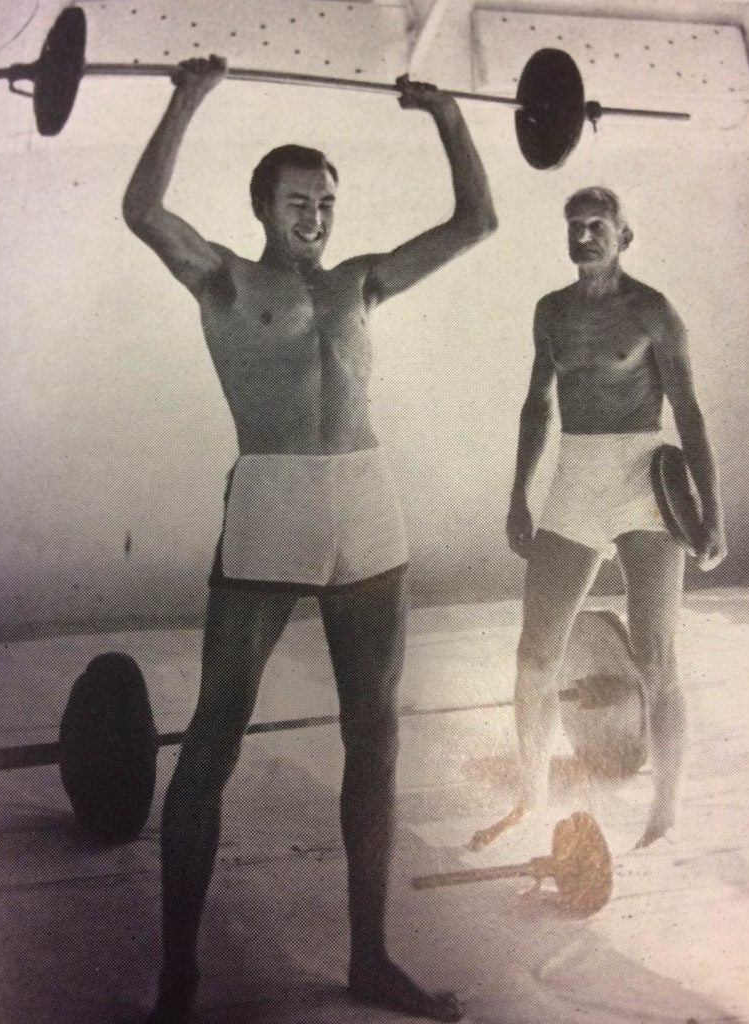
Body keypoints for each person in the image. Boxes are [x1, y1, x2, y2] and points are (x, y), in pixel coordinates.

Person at [122, 55, 497, 1024]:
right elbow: (144, 211)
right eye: (299, 202)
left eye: (326, 203)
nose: (316, 217)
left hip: (365, 505)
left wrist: (446, 114)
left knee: (377, 732)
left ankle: (370, 958)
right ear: (263, 206)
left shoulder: (360, 283)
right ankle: (176, 978)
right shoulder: (224, 280)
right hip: (273, 500)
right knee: (215, 735)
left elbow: (475, 224)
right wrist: (188, 97)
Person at [469, 186, 726, 855]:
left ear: (623, 237)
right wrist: (517, 495)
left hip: (644, 476)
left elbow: (690, 413)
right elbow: (536, 406)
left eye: (596, 226)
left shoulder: (652, 310)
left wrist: (712, 515)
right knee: (535, 653)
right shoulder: (551, 311)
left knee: (656, 654)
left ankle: (665, 810)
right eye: (574, 226)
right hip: (577, 474)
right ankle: (531, 793)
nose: (583, 236)